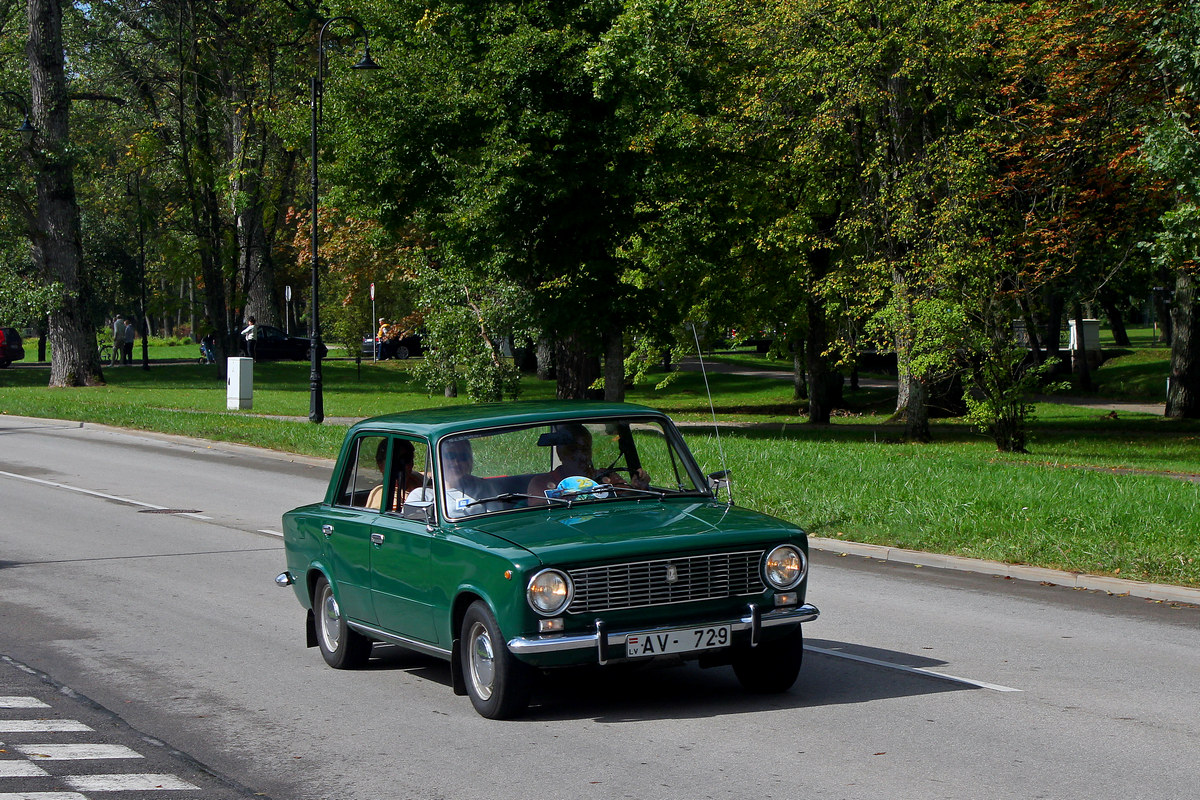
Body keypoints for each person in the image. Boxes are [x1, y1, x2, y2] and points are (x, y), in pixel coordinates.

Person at [441, 437, 501, 516]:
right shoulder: (426, 494)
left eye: (462, 457)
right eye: (450, 456)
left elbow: (495, 519)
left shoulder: (483, 487)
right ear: (440, 458)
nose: (456, 462)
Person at [366, 439, 425, 512]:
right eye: (394, 461)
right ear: (380, 465)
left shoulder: (416, 478)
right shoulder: (381, 495)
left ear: (412, 463)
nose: (400, 467)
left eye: (405, 460)